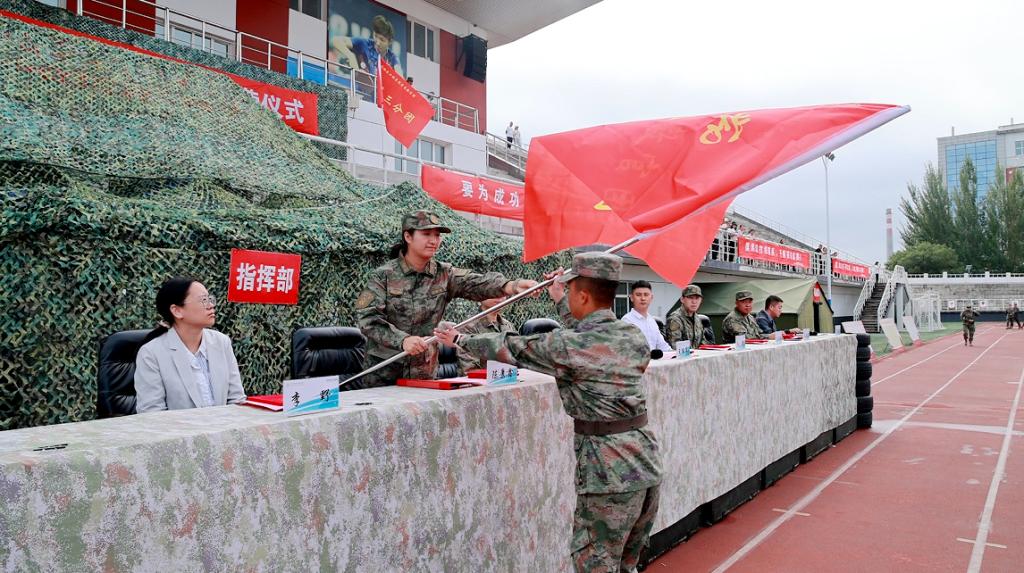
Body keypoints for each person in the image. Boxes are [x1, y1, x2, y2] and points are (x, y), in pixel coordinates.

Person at [434, 252, 661, 572]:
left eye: (570, 290)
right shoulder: (631, 336)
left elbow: (512, 347)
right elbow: (586, 337)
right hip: (645, 463)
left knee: (595, 563)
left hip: (609, 473)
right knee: (626, 564)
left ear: (583, 296)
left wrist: (459, 338)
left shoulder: (568, 346)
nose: (567, 295)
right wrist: (559, 299)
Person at [352, 210, 537, 389]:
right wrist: (402, 340)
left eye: (437, 235)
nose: (433, 241)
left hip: (424, 374)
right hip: (384, 376)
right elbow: (367, 319)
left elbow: (476, 283)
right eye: (426, 234)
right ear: (408, 236)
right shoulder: (382, 276)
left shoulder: (444, 274)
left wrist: (511, 286)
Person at [134, 277, 246, 413]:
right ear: (177, 311)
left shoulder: (221, 342)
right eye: (203, 300)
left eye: (210, 299)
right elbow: (152, 413)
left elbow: (236, 399)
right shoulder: (151, 353)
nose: (211, 305)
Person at [330, 14, 402, 78]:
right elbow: (336, 40)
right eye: (376, 36)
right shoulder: (364, 43)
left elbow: (400, 76)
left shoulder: (392, 57)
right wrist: (351, 56)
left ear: (390, 42)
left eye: (382, 40)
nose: (377, 42)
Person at [456, 297, 517, 372]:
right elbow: (470, 370)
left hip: (509, 375)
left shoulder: (508, 326)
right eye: (494, 292)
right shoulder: (468, 327)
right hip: (482, 378)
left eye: (503, 293)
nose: (499, 297)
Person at [621, 280, 672, 354]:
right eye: (638, 295)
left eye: (646, 295)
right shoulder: (627, 321)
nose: (643, 298)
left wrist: (674, 354)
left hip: (655, 361)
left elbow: (663, 346)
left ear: (651, 297)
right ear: (631, 298)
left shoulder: (652, 321)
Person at [665, 284, 705, 349]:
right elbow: (676, 347)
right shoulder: (675, 319)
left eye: (697, 298)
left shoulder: (697, 318)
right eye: (690, 297)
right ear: (682, 299)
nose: (694, 302)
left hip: (697, 354)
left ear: (701, 300)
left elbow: (703, 343)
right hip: (683, 355)